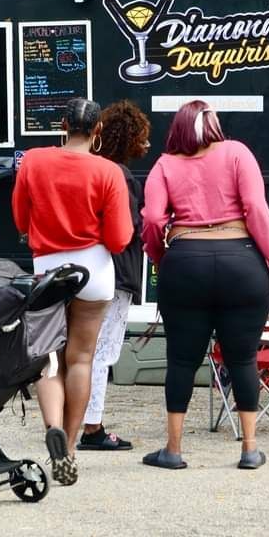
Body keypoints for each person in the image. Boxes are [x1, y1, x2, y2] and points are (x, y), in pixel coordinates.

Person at [140, 99, 269, 471]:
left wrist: (161, 257)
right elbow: (255, 205)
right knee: (243, 358)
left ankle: (173, 450)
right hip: (241, 262)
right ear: (214, 125)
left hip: (185, 264)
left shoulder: (164, 164)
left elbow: (154, 219)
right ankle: (250, 449)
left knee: (182, 360)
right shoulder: (238, 152)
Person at [12, 97, 133, 485]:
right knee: (81, 359)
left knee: (49, 357)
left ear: (63, 124)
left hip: (48, 267)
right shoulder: (108, 171)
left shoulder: (33, 161)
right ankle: (70, 447)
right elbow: (118, 239)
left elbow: (19, 219)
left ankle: (52, 426)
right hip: (94, 270)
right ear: (98, 130)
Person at [78, 100, 151, 452]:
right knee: (102, 352)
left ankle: (70, 419)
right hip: (114, 273)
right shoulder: (120, 176)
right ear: (126, 140)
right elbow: (128, 229)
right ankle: (92, 427)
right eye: (141, 137)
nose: (146, 145)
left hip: (77, 269)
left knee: (77, 351)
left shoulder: (86, 168)